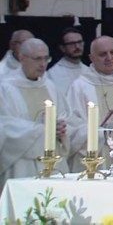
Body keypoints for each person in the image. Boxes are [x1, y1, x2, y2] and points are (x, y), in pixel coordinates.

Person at [0, 39, 70, 188]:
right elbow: (5, 126)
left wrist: (61, 129)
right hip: (22, 164)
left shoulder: (50, 87)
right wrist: (43, 130)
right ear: (22, 58)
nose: (43, 64)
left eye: (46, 58)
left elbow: (65, 116)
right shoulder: (6, 88)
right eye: (38, 58)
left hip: (53, 160)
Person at [67, 36, 113, 171]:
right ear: (91, 58)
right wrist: (106, 135)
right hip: (96, 159)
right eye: (102, 54)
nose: (109, 58)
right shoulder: (80, 87)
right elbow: (73, 129)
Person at [47, 27, 85, 97]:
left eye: (79, 42)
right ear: (62, 48)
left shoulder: (89, 71)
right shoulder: (53, 74)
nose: (77, 46)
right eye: (72, 43)